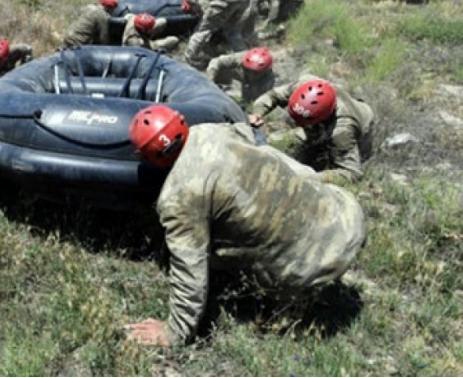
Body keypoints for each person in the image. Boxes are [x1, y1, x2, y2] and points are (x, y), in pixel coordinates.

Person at [124, 105, 366, 347]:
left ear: (144, 156)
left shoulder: (179, 197)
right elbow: (247, 132)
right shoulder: (211, 131)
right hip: (349, 219)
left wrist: (175, 332)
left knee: (209, 246)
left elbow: (189, 267)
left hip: (316, 267)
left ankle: (297, 302)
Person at [249, 75, 375, 184]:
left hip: (362, 127)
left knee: (337, 159)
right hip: (322, 122)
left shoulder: (342, 131)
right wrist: (257, 113)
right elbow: (273, 95)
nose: (296, 124)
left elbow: (352, 173)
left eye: (302, 123)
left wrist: (312, 177)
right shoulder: (303, 85)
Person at [177, 0, 253, 70]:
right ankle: (246, 60)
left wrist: (203, 5)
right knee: (232, 31)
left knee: (203, 30)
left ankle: (189, 60)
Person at [205, 47, 275, 104]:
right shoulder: (239, 58)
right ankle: (217, 89)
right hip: (237, 73)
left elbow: (260, 102)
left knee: (250, 101)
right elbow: (216, 61)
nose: (251, 75)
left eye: (255, 73)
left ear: (265, 71)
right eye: (248, 70)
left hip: (254, 84)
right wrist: (210, 81)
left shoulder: (267, 81)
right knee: (219, 68)